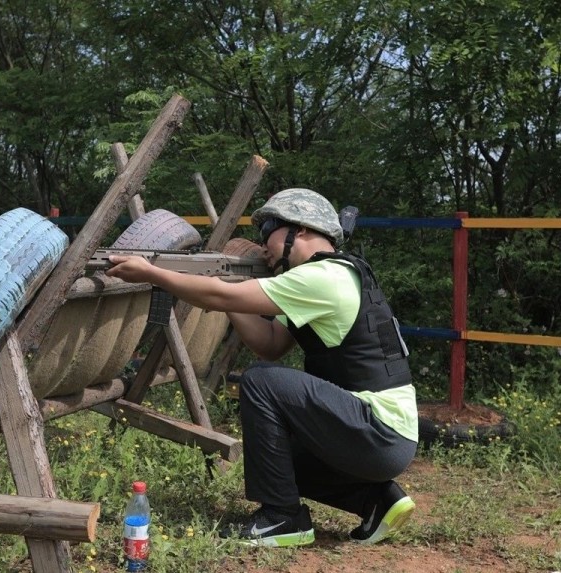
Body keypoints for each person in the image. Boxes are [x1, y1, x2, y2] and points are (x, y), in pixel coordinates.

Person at [105, 188, 418, 547]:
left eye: (267, 227)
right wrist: (231, 290)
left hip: (377, 432)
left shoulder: (320, 278)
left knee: (259, 381)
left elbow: (222, 298)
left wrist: (153, 273)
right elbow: (270, 344)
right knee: (277, 461)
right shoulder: (334, 275)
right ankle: (377, 499)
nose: (263, 243)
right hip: (383, 437)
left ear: (298, 230)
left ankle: (282, 519)